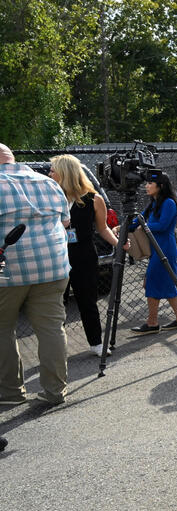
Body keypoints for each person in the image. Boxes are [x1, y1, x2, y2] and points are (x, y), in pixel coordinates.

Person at [0, 143, 70, 406]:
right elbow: (64, 222)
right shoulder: (47, 183)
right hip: (53, 266)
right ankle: (55, 392)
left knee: (2, 329)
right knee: (52, 328)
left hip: (7, 271)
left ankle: (11, 393)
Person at [49, 155, 120, 356]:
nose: (49, 174)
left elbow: (103, 228)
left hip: (84, 256)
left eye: (53, 170)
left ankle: (97, 343)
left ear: (65, 173)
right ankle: (55, 349)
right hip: (56, 256)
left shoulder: (94, 199)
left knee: (87, 301)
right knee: (56, 306)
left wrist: (120, 245)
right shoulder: (50, 197)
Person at [128, 173, 177, 334]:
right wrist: (123, 228)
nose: (146, 186)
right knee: (167, 283)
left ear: (160, 185)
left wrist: (144, 226)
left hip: (165, 249)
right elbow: (137, 222)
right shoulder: (153, 203)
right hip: (156, 249)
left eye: (150, 183)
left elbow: (162, 225)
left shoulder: (168, 203)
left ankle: (152, 322)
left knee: (152, 282)